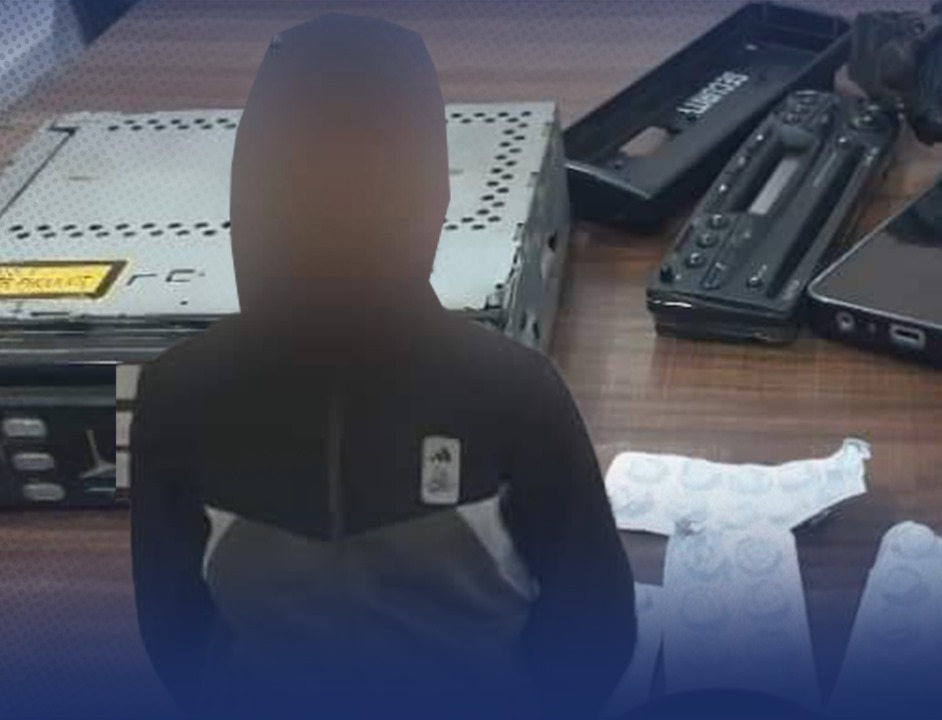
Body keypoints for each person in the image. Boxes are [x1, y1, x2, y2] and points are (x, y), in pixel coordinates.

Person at [128, 14, 635, 719]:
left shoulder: (512, 399)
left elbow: (595, 631)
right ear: (432, 198)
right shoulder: (514, 390)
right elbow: (598, 637)